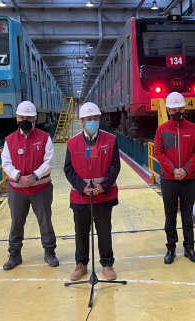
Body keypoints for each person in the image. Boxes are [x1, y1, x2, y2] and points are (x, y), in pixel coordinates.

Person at [64, 102, 121, 282]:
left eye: (95, 119)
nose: (93, 122)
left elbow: (115, 165)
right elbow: (68, 169)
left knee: (104, 230)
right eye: (89, 119)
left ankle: (107, 264)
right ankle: (81, 264)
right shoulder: (72, 143)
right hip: (81, 196)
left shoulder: (110, 140)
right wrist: (82, 187)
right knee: (81, 232)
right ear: (82, 121)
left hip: (104, 194)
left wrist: (103, 186)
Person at [1, 101, 58, 270]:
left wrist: (33, 177)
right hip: (17, 190)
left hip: (41, 188)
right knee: (16, 223)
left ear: (35, 118)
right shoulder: (10, 140)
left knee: (45, 221)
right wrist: (19, 177)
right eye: (22, 117)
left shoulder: (44, 138)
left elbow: (49, 162)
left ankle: (49, 252)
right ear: (17, 118)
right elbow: (6, 163)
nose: (25, 120)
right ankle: (14, 254)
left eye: (29, 117)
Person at [154, 92, 195, 265]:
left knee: (188, 217)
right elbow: (158, 152)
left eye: (180, 109)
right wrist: (173, 169)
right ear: (168, 110)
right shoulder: (162, 129)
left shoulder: (193, 129)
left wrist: (187, 169)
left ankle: (189, 248)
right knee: (170, 217)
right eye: (174, 110)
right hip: (169, 180)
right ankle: (171, 248)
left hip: (188, 179)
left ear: (184, 108)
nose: (178, 113)